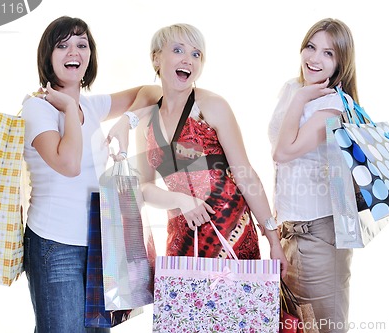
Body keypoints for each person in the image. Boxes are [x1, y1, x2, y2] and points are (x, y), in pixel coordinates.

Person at [109, 23, 288, 274]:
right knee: (181, 313)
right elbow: (144, 188)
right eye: (178, 50)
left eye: (196, 54)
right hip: (181, 241)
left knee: (235, 312)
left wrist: (273, 240)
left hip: (231, 237)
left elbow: (245, 174)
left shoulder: (211, 106)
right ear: (156, 58)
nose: (189, 60)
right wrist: (180, 200)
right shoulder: (147, 120)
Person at [21, 16, 160, 333]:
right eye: (63, 45)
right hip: (55, 245)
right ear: (48, 56)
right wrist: (69, 109)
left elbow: (152, 91)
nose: (74, 51)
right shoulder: (37, 108)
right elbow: (68, 164)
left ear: (90, 56)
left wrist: (126, 121)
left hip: (99, 242)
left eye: (82, 44)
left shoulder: (93, 105)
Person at [268, 18, 358, 333]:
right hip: (289, 232)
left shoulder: (334, 105)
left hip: (319, 235)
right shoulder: (293, 88)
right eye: (311, 47)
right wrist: (300, 95)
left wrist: (302, 98)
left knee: (324, 328)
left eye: (328, 53)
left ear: (340, 63)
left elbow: (283, 151)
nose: (315, 59)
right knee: (298, 328)